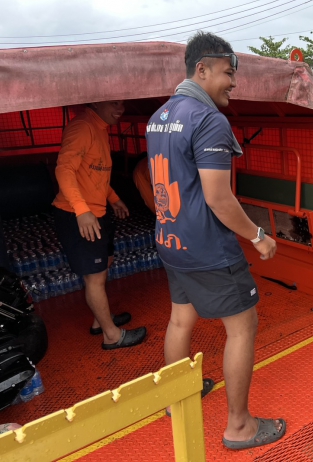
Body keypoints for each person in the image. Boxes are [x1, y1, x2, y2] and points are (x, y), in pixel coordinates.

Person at [145, 31, 286, 450]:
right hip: (208, 248)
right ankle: (240, 427)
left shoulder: (159, 116)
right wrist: (258, 236)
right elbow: (218, 198)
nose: (233, 83)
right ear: (202, 69)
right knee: (243, 327)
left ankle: (176, 401)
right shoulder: (208, 120)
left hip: (170, 239)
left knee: (180, 319)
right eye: (228, 73)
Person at [52, 101, 147, 349]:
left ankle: (100, 321)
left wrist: (114, 199)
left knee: (104, 266)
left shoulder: (101, 128)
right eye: (114, 103)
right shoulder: (82, 127)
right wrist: (81, 211)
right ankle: (111, 336)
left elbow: (96, 174)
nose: (121, 108)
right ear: (96, 101)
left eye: (122, 102)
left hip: (98, 212)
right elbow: (64, 169)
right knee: (94, 277)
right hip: (78, 214)